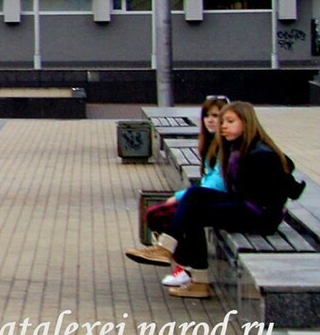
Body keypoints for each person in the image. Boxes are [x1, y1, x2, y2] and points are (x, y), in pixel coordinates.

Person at [126, 101, 304, 299]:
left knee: (196, 214)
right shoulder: (237, 146)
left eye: (230, 121)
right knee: (194, 195)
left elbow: (280, 183)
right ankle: (167, 249)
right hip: (244, 205)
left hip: (259, 216)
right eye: (222, 122)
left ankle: (197, 279)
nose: (223, 126)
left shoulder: (261, 153)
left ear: (246, 122)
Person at [145, 96, 230, 288]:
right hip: (211, 197)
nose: (210, 120)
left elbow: (218, 183)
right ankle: (184, 266)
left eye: (216, 116)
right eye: (206, 116)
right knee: (158, 214)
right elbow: (208, 179)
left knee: (169, 215)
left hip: (224, 199)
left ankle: (181, 264)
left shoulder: (226, 145)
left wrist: (180, 196)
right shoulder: (210, 143)